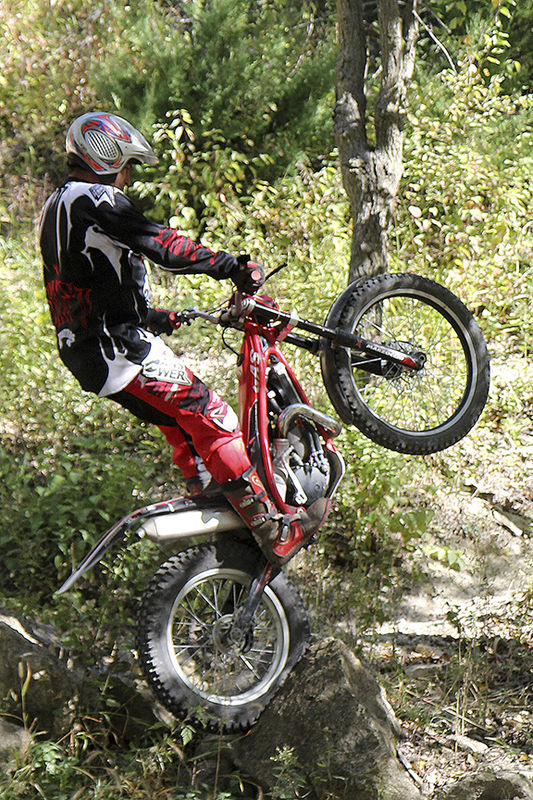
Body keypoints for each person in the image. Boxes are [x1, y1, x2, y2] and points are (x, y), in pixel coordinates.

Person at [39, 111, 325, 566]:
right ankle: (274, 529)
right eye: (125, 164)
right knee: (213, 416)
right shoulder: (97, 198)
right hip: (119, 350)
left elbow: (79, 283)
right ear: (105, 156)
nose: (126, 176)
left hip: (89, 351)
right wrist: (229, 265)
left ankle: (210, 494)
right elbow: (161, 244)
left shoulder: (58, 205)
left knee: (178, 421)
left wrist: (150, 315)